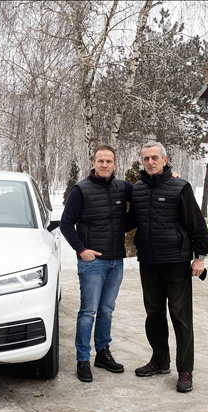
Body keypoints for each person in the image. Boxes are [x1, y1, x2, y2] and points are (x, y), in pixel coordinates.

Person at [127, 141, 208, 393]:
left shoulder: (180, 187)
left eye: (155, 157)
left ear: (165, 159)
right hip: (149, 263)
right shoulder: (137, 190)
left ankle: (185, 370)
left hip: (176, 264)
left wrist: (200, 256)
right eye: (146, 159)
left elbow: (197, 224)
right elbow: (127, 220)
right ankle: (160, 361)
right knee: (153, 316)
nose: (150, 162)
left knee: (180, 318)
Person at [60, 144, 132, 382]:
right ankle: (83, 359)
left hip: (115, 262)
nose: (104, 165)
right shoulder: (81, 190)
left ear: (114, 163)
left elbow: (146, 192)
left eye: (108, 161)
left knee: (106, 311)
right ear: (94, 163)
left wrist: (169, 174)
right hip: (93, 263)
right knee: (88, 312)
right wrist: (82, 250)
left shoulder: (123, 188)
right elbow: (66, 224)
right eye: (100, 161)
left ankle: (102, 352)